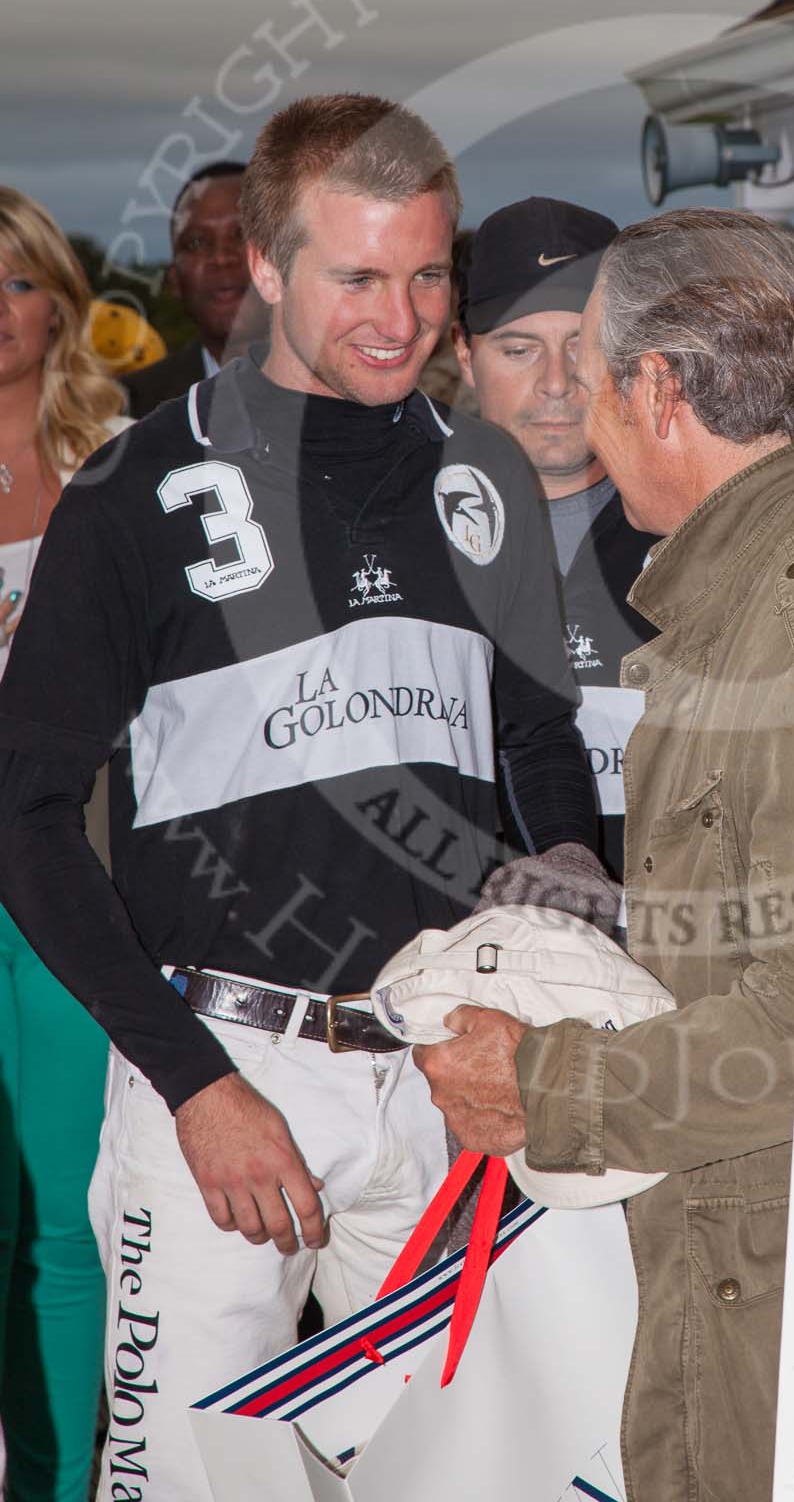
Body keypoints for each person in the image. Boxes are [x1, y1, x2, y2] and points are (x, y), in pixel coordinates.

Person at [0, 94, 598, 1502]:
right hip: (224, 1074)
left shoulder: (484, 475)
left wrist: (568, 880)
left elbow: (537, 738)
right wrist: (195, 1081)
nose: (402, 318)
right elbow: (23, 817)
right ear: (266, 264)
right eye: (359, 277)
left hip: (443, 1066)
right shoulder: (134, 488)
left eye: (429, 274)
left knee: (477, 1475)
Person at [415, 208, 794, 1502]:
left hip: (784, 1283)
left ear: (661, 390)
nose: (581, 411)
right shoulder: (775, 586)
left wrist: (549, 1083)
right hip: (745, 1251)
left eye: (598, 375)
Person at [0, 189, 128, 1502]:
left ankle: (55, 1483)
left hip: (66, 874)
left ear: (59, 305)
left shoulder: (124, 464)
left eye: (16, 280)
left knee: (63, 1220)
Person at [455, 197, 654, 880]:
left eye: (583, 345)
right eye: (519, 349)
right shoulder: (408, 540)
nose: (556, 383)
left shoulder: (708, 537)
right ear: (464, 353)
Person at [123, 161, 264, 417]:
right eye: (197, 243)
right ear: (174, 280)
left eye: (243, 234)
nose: (221, 258)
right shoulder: (129, 410)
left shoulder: (342, 389)